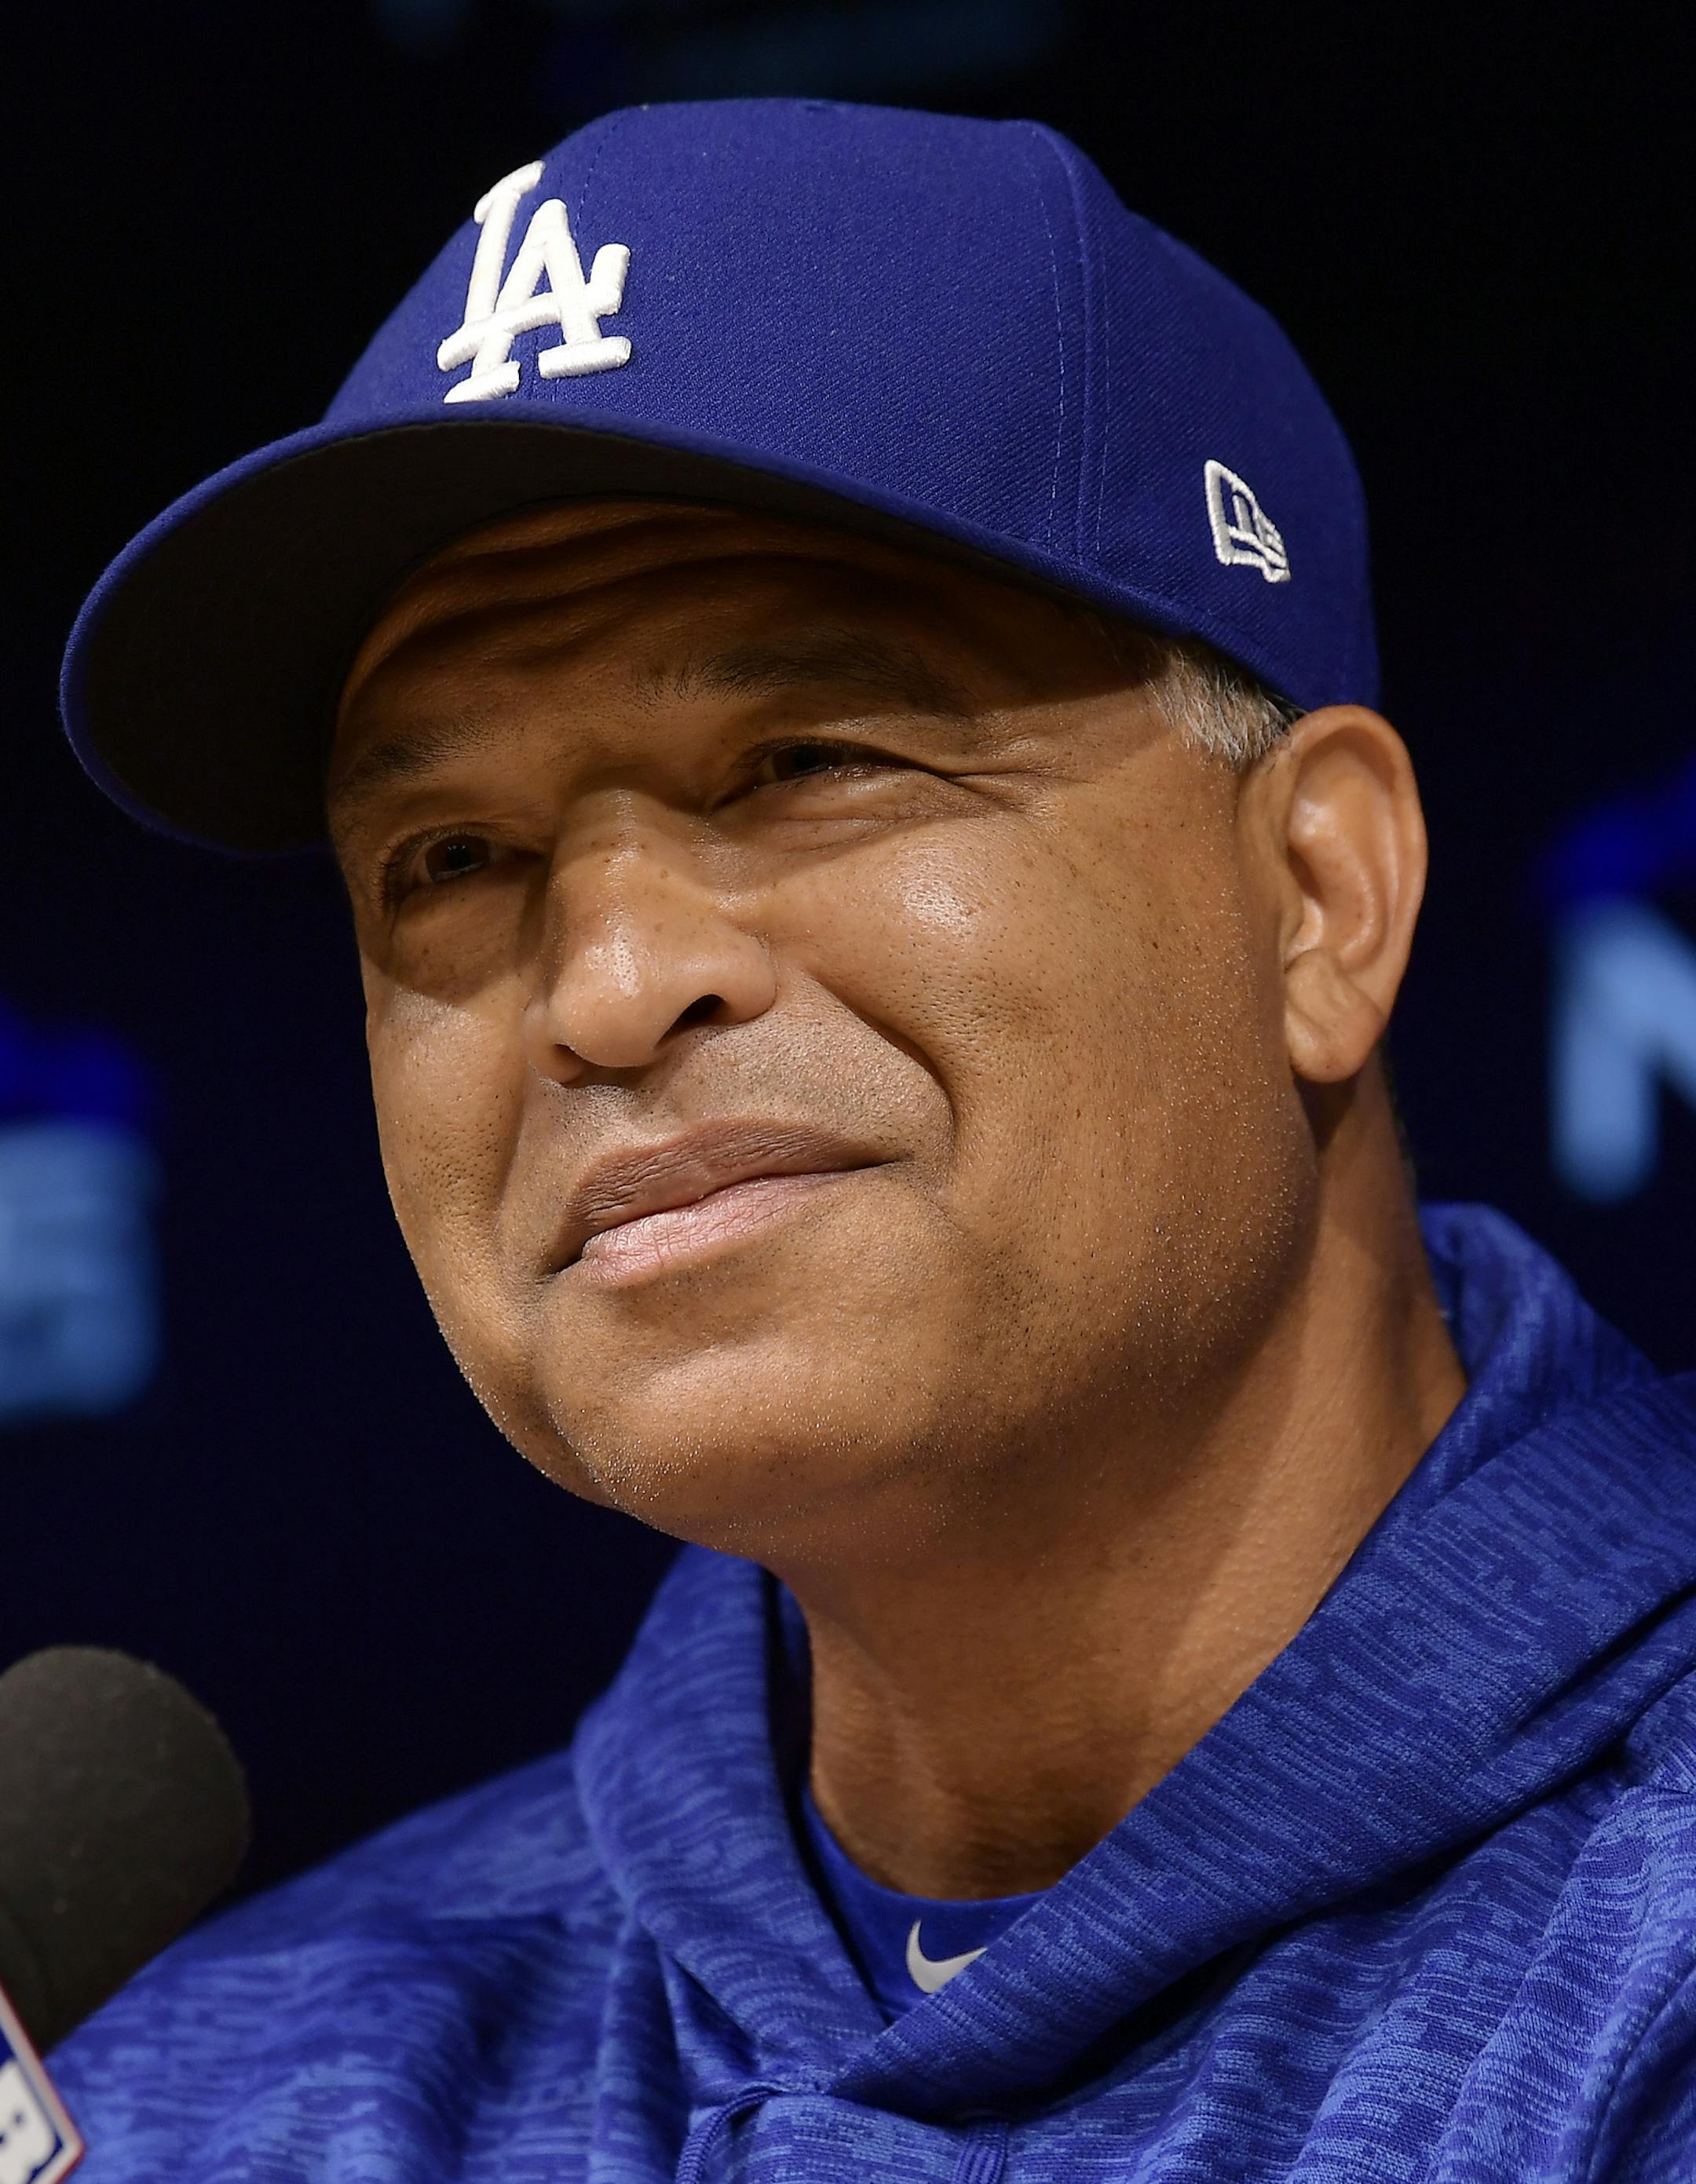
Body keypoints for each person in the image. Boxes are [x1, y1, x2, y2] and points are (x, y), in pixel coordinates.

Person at [50, 100, 1696, 2182]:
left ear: (1319, 896)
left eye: (811, 760)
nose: (609, 982)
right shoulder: (214, 2096)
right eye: (451, 857)